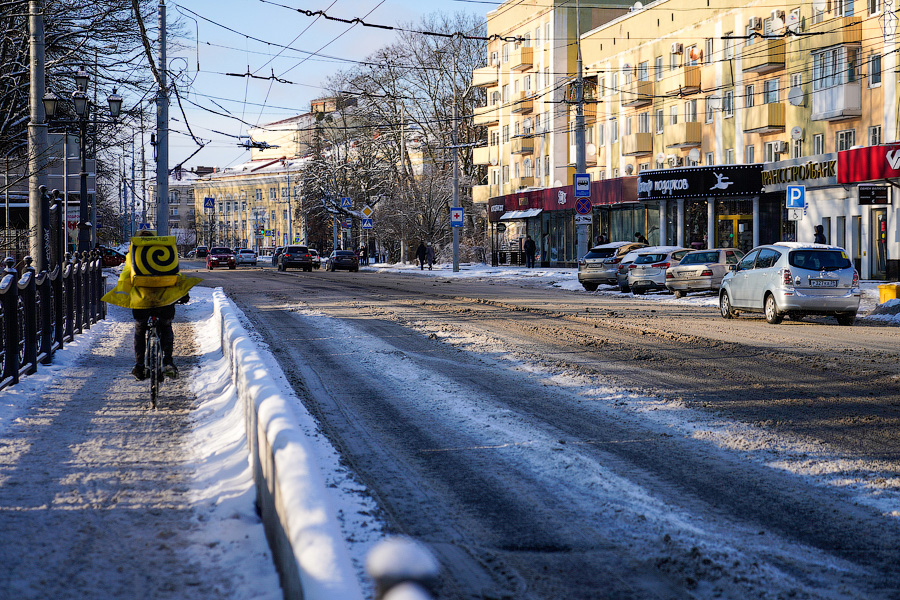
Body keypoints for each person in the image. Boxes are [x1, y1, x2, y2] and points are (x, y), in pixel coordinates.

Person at [102, 230, 201, 380]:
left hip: (142, 301)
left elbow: (125, 276)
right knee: (166, 326)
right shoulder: (164, 250)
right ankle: (168, 361)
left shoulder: (133, 254)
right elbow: (176, 274)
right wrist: (183, 294)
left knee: (140, 328)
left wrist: (123, 295)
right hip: (165, 300)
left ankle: (140, 365)